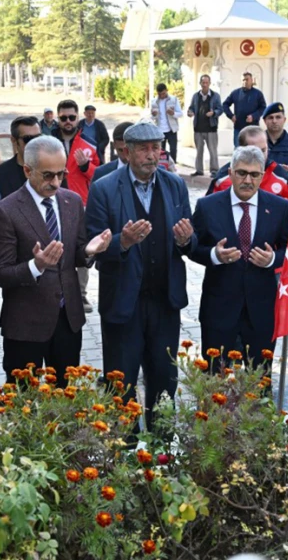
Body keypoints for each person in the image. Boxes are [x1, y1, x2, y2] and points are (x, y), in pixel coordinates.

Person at [85, 122, 197, 429]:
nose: (152, 155)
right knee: (121, 385)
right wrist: (123, 241)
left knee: (164, 381)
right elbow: (90, 246)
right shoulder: (104, 188)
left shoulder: (175, 185)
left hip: (164, 301)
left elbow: (190, 238)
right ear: (127, 151)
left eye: (156, 148)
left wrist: (187, 240)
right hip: (123, 305)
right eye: (145, 149)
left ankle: (160, 449)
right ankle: (126, 451)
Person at [0, 136, 112, 385]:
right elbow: (1, 273)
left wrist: (89, 251)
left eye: (61, 174)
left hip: (68, 320)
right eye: (47, 176)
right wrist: (37, 266)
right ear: (27, 170)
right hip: (26, 324)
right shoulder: (6, 210)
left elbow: (76, 252)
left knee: (65, 398)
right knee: (24, 402)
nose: (55, 183)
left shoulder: (72, 201)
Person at [190, 145, 288, 371]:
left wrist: (273, 259)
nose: (248, 180)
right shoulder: (207, 206)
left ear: (262, 176)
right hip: (219, 308)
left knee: (259, 382)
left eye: (254, 174)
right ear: (231, 172)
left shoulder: (280, 207)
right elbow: (193, 248)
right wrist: (214, 255)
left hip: (261, 310)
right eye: (242, 173)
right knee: (215, 382)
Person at [51, 99, 100, 312]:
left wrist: (85, 166)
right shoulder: (47, 141)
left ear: (78, 117)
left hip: (80, 202)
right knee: (53, 246)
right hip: (50, 201)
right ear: (57, 118)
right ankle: (54, 293)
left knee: (82, 248)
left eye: (72, 117)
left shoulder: (89, 143)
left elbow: (99, 174)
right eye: (63, 118)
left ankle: (81, 294)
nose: (68, 121)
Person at [207, 126, 288, 199]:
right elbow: (208, 210)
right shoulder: (222, 179)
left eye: (263, 150)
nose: (261, 156)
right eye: (255, 151)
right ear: (241, 150)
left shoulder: (282, 178)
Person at [0, 116, 41, 199]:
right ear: (14, 140)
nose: (34, 143)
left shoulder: (55, 170)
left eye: (38, 137)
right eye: (27, 139)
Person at [187, 74, 222, 177]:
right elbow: (191, 108)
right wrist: (190, 112)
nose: (205, 85)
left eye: (207, 83)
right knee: (199, 151)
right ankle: (199, 170)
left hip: (211, 128)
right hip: (198, 128)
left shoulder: (215, 96)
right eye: (203, 82)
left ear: (210, 83)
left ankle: (214, 171)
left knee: (213, 151)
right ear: (200, 83)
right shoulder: (195, 96)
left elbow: (220, 109)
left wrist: (214, 113)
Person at [222, 72, 267, 146]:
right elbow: (225, 104)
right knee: (238, 150)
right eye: (243, 80)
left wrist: (253, 116)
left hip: (253, 128)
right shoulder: (235, 93)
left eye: (247, 79)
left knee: (253, 150)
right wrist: (231, 116)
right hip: (239, 128)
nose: (245, 81)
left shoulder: (258, 94)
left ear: (251, 80)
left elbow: (263, 107)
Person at [150, 84, 183, 162]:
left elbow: (180, 114)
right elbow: (152, 117)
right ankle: (162, 168)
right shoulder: (154, 101)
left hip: (172, 129)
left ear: (167, 91)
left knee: (173, 150)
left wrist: (173, 113)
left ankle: (173, 168)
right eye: (160, 94)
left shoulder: (173, 99)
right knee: (161, 151)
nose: (162, 96)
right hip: (160, 130)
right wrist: (153, 115)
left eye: (163, 93)